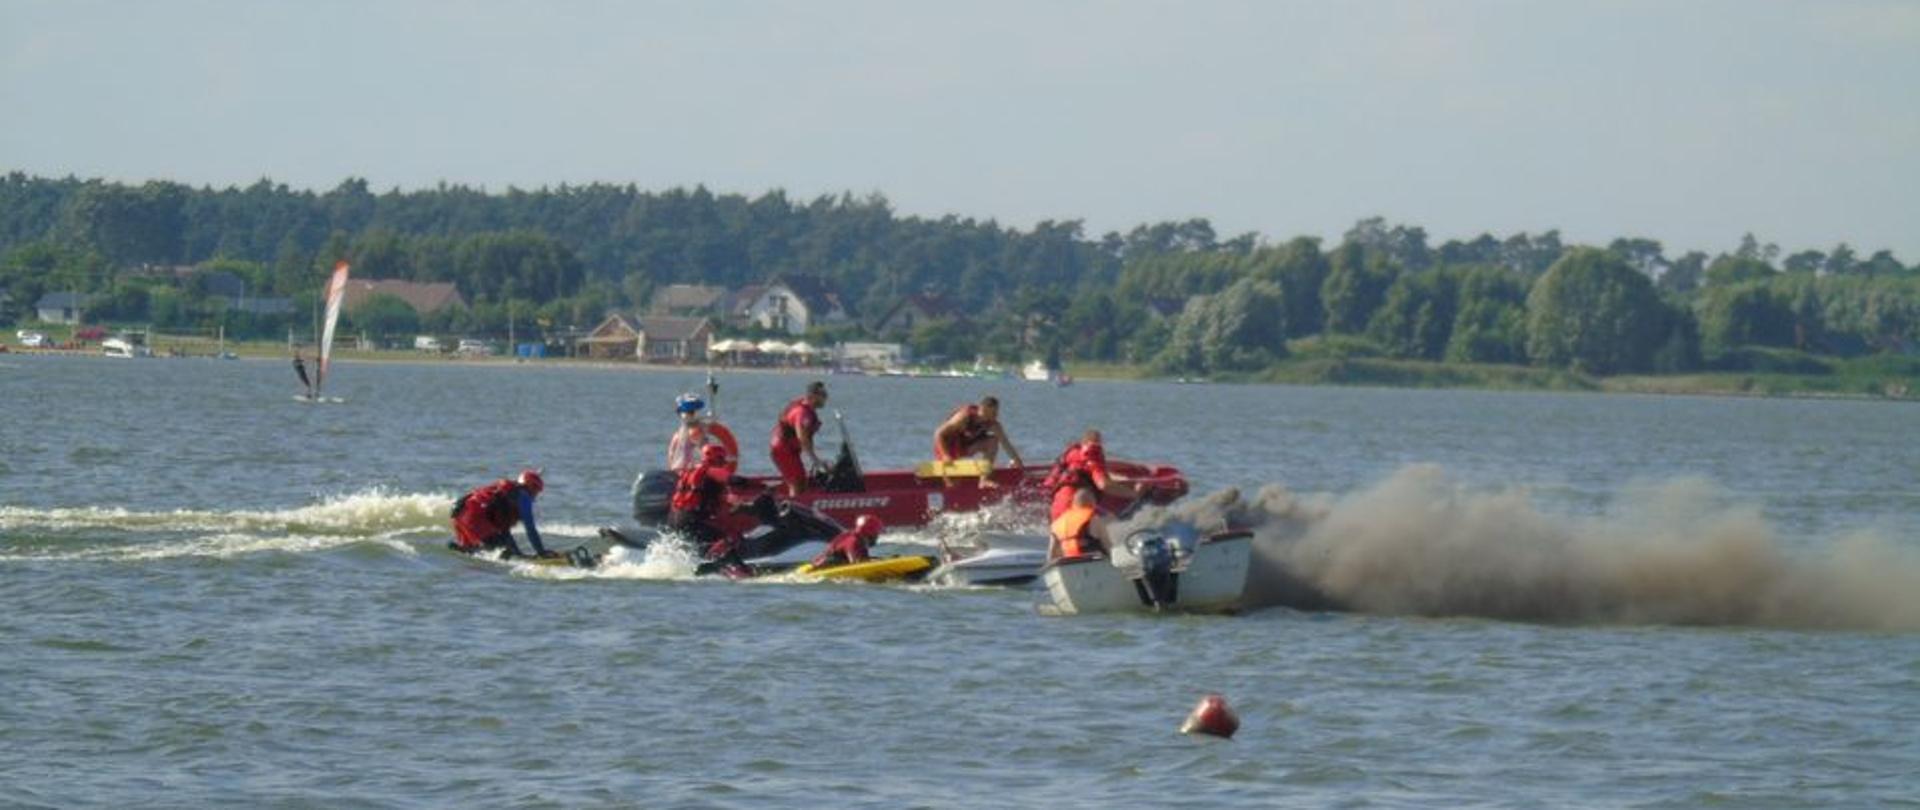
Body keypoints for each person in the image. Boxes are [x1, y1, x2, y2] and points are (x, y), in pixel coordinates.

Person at [450, 469, 551, 559]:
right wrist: (541, 552)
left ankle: (463, 549)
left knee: (473, 551)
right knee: (502, 552)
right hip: (474, 517)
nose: (536, 495)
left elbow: (504, 531)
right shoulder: (523, 496)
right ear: (531, 486)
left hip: (459, 516)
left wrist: (519, 554)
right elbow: (530, 529)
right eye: (536, 490)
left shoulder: (505, 491)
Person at [932, 396, 1025, 486]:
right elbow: (938, 433)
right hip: (946, 448)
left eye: (997, 413)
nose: (996, 416)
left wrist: (1019, 463)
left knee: (993, 441)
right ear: (983, 409)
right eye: (994, 413)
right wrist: (945, 455)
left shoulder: (993, 425)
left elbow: (1006, 445)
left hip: (965, 447)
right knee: (953, 483)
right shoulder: (964, 416)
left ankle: (984, 480)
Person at [668, 443, 738, 555]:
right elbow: (735, 480)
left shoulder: (691, 471)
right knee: (730, 538)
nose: (723, 463)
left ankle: (711, 561)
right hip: (692, 520)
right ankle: (731, 567)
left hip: (675, 519)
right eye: (721, 459)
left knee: (710, 537)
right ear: (715, 458)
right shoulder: (713, 471)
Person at [769, 380, 828, 497]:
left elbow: (807, 439)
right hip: (783, 450)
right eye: (823, 396)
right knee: (797, 482)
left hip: (788, 449)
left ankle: (797, 503)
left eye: (825, 395)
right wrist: (815, 460)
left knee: (801, 481)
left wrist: (815, 458)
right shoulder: (802, 413)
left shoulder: (807, 407)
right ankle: (794, 509)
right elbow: (802, 437)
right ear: (812, 396)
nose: (825, 399)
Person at [1048, 488, 1110, 561]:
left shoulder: (1057, 523)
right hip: (1093, 562)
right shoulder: (1094, 519)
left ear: (1073, 503)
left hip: (1067, 563)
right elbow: (1107, 544)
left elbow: (1051, 553)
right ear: (1093, 503)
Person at [808, 514, 883, 570]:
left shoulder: (852, 536)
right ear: (870, 532)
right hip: (823, 568)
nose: (877, 536)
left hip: (821, 564)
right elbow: (858, 565)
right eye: (876, 533)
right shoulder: (855, 541)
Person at [667, 392, 713, 472]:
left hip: (688, 468)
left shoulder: (699, 428)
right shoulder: (682, 432)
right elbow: (672, 451)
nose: (692, 414)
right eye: (690, 412)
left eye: (692, 412)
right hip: (682, 468)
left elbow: (671, 452)